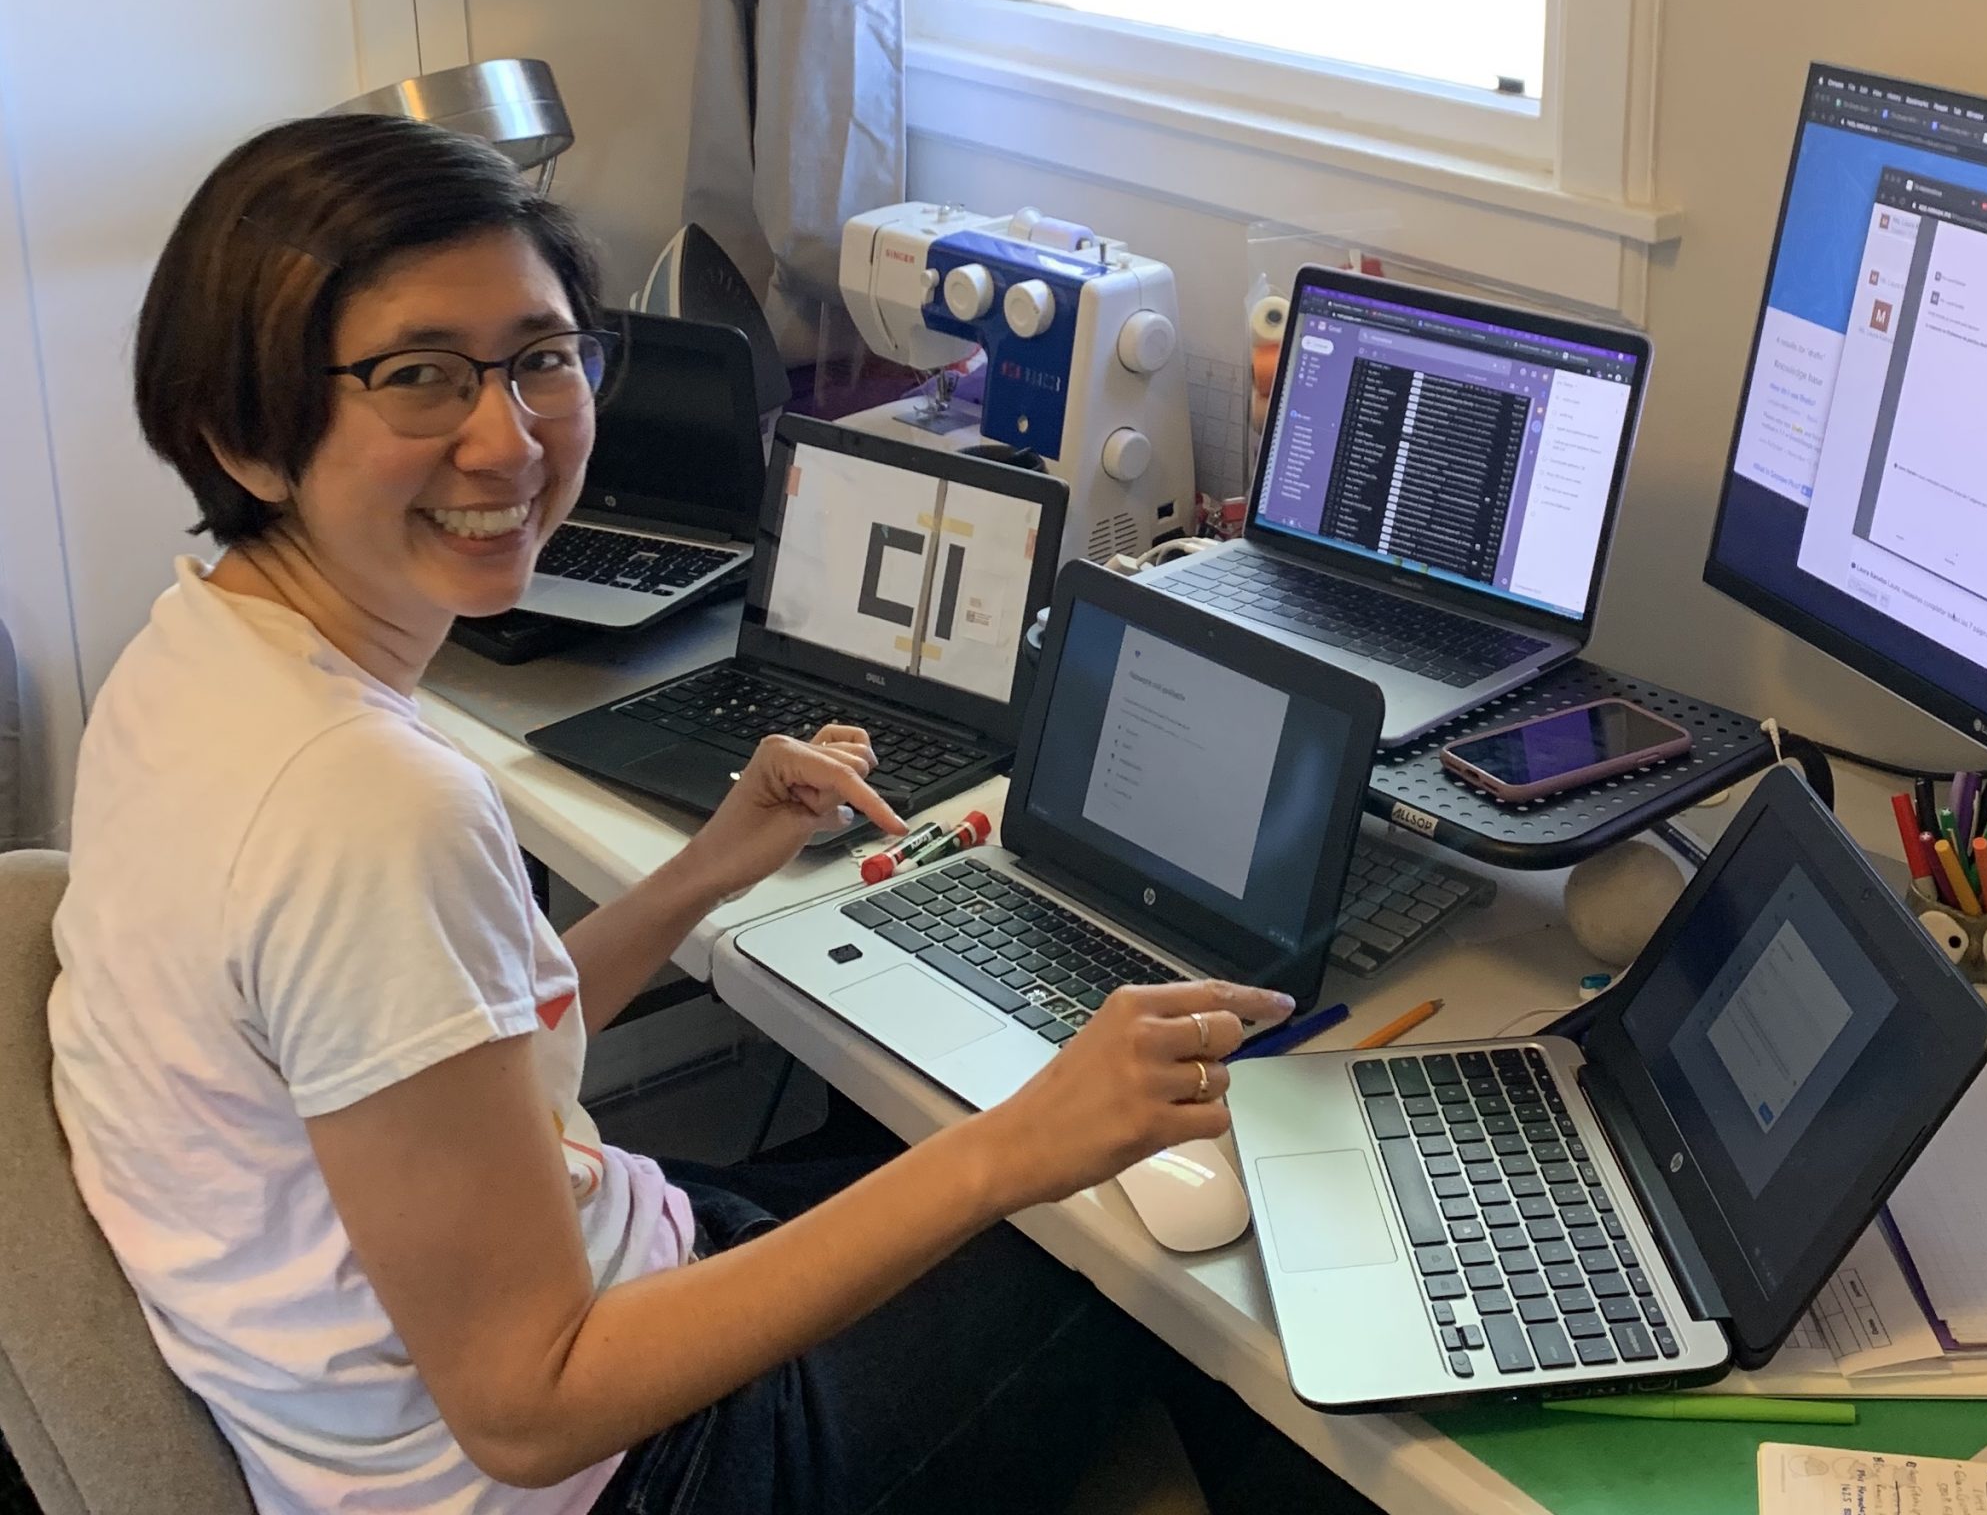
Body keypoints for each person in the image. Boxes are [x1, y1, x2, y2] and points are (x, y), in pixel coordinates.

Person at [46, 113, 1319, 1515]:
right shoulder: (366, 809)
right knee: (1162, 1272)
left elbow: (456, 1056)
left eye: (542, 358)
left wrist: (705, 870)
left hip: (513, 1320)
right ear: (243, 435)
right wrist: (1018, 1149)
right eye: (418, 377)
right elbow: (530, 1409)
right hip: (617, 1467)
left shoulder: (191, 656)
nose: (508, 440)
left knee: (956, 1161)